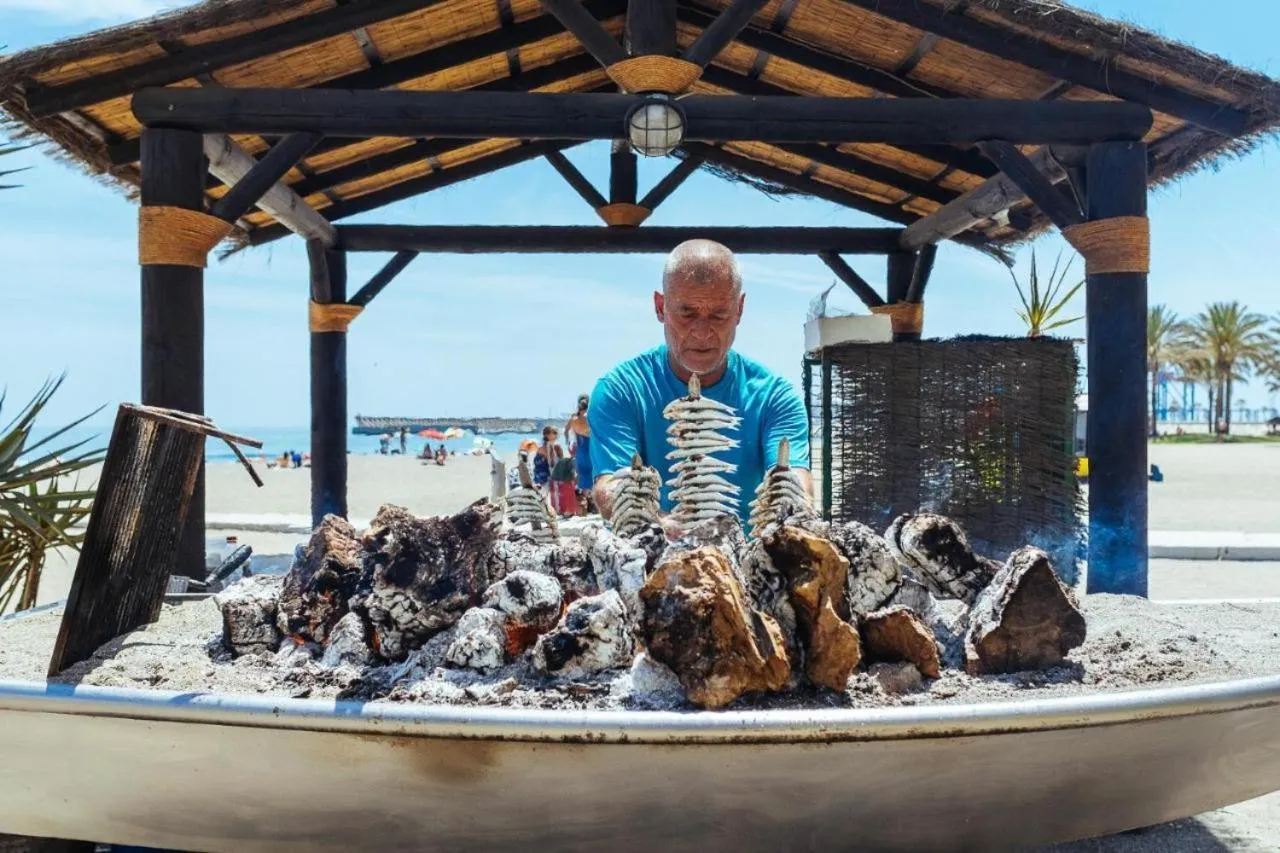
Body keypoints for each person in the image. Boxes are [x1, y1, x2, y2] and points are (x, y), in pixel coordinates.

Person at [589, 239, 811, 529]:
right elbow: (610, 484)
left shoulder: (775, 396)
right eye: (687, 313)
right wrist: (664, 527)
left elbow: (795, 480)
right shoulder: (621, 389)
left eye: (719, 314)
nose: (703, 332)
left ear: (739, 309)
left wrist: (796, 505)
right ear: (660, 306)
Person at [565, 393, 594, 511]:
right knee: (593, 472)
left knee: (581, 473)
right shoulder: (591, 417)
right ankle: (591, 502)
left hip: (580, 447)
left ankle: (582, 501)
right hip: (591, 447)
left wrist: (568, 443)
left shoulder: (573, 419)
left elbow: (566, 431)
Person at [534, 426, 563, 490]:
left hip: (540, 477)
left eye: (557, 432)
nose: (557, 434)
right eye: (555, 433)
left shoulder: (542, 446)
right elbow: (552, 464)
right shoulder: (547, 447)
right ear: (547, 435)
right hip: (545, 479)